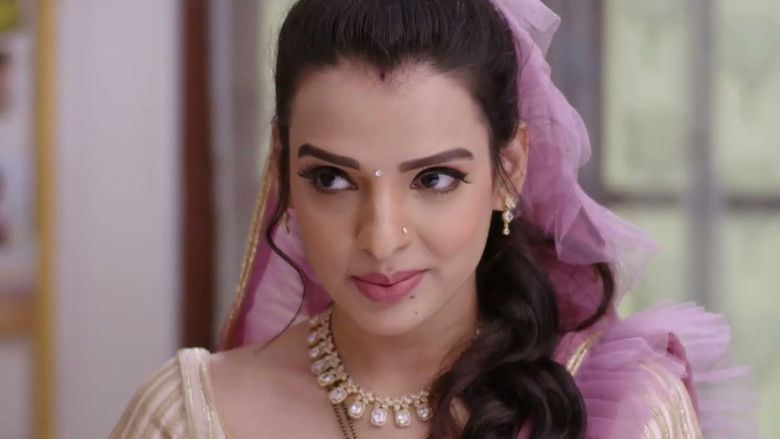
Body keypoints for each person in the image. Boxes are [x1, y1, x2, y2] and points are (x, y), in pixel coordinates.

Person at [111, 0, 756, 437]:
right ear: (282, 166)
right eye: (332, 179)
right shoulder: (192, 417)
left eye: (434, 179)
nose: (381, 238)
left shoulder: (623, 413)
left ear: (509, 168)